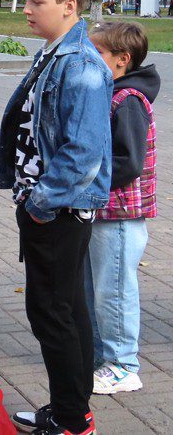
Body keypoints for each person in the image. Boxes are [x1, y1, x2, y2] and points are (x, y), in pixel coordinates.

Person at [0, 0, 112, 435]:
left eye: (36, 2)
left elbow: (83, 154)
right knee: (67, 309)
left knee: (51, 313)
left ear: (69, 5)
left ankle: (72, 420)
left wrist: (39, 204)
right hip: (50, 206)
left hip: (57, 210)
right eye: (26, 0)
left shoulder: (81, 65)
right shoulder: (55, 52)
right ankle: (73, 410)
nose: (26, 9)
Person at [85, 22, 159, 395]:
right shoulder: (111, 92)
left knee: (113, 291)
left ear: (122, 59)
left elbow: (127, 162)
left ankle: (123, 365)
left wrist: (85, 180)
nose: (89, 58)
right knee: (97, 290)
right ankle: (102, 357)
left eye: (97, 52)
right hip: (103, 211)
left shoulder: (127, 100)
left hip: (118, 216)